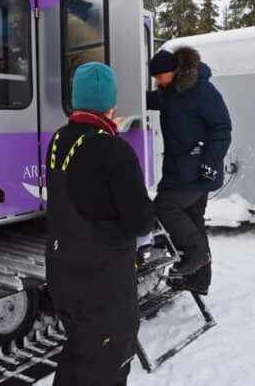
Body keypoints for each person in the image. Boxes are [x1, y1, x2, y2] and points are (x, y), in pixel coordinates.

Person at [45, 62, 155, 386]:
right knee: (107, 365)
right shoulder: (114, 150)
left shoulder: (58, 139)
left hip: (63, 268)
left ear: (75, 101)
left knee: (78, 353)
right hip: (102, 278)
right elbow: (140, 221)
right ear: (112, 105)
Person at [146, 47, 232, 295]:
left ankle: (195, 255)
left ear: (173, 71)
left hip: (198, 171)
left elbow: (222, 129)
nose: (157, 82)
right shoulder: (169, 92)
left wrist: (210, 163)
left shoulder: (202, 90)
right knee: (194, 221)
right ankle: (199, 279)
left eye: (159, 76)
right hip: (178, 168)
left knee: (164, 206)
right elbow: (149, 100)